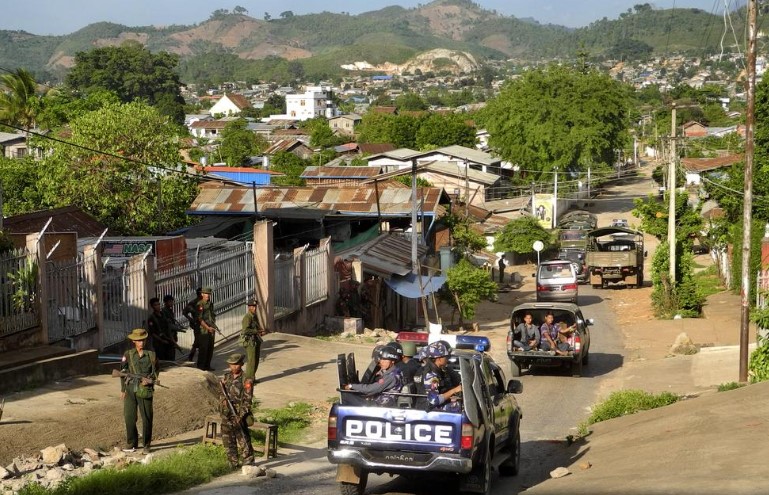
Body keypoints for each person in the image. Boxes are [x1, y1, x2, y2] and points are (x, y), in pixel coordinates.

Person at [120, 328, 159, 454]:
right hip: (131, 388)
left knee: (147, 418)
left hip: (144, 389)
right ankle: (132, 443)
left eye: (142, 340)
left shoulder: (151, 355)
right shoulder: (128, 354)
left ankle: (146, 445)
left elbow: (156, 371)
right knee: (129, 417)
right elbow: (122, 372)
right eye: (138, 340)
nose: (141, 343)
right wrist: (123, 389)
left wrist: (150, 379)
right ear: (133, 341)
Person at [219, 353, 255, 468]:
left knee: (243, 438)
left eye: (236, 365)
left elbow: (248, 400)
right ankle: (232, 461)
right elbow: (221, 392)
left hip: (238, 413)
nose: (233, 367)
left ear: (241, 364)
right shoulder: (226, 377)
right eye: (231, 365)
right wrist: (223, 400)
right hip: (226, 413)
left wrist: (241, 415)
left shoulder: (246, 379)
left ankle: (248, 460)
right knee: (227, 438)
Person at [422, 341, 462, 412]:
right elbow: (434, 401)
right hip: (434, 412)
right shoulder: (431, 375)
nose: (447, 359)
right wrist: (454, 390)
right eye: (446, 357)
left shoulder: (440, 371)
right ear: (438, 359)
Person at [241, 298, 267, 381]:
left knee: (256, 360)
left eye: (255, 306)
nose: (254, 308)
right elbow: (245, 330)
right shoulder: (247, 317)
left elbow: (257, 327)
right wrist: (256, 331)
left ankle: (252, 377)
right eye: (252, 306)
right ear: (249, 307)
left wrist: (260, 332)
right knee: (251, 361)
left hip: (256, 340)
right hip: (250, 341)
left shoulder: (254, 316)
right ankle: (248, 379)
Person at [196, 287, 217, 371]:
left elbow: (211, 316)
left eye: (209, 294)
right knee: (203, 349)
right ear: (202, 294)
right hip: (203, 330)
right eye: (206, 293)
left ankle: (207, 365)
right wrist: (208, 328)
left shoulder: (210, 304)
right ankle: (201, 367)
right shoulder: (200, 304)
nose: (207, 295)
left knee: (210, 348)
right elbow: (200, 319)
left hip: (211, 328)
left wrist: (213, 326)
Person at [182, 288, 203, 362]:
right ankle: (191, 356)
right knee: (197, 340)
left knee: (203, 340)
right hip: (197, 324)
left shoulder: (205, 302)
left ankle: (200, 356)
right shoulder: (193, 303)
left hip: (204, 324)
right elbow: (184, 312)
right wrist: (191, 319)